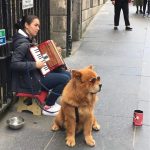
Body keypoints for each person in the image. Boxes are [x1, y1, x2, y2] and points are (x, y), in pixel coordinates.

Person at [11, 15, 71, 116]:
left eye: (38, 26)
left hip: (36, 74)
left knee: (67, 74)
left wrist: (55, 52)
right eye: (36, 25)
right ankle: (49, 105)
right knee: (64, 79)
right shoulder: (22, 43)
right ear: (26, 25)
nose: (38, 28)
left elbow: (37, 56)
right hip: (29, 81)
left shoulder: (29, 39)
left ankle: (49, 98)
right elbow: (14, 64)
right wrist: (35, 65)